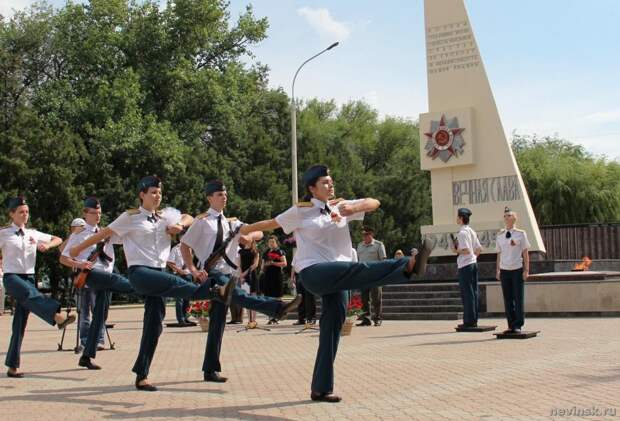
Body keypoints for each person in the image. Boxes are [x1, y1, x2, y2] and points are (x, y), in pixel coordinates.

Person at [239, 164, 431, 402]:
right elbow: (270, 223)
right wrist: (244, 229)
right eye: (325, 183)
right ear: (312, 188)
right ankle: (406, 266)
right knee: (357, 269)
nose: (331, 186)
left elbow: (375, 202)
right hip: (314, 272)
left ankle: (321, 388)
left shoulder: (341, 204)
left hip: (339, 277)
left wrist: (353, 208)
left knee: (332, 331)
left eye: (331, 182)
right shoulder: (301, 211)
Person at [70, 176, 234, 391]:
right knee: (176, 283)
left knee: (154, 326)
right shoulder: (130, 217)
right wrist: (76, 250)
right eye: (153, 193)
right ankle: (210, 292)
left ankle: (141, 374)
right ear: (142, 195)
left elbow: (188, 217)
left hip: (159, 274)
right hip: (141, 272)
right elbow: (105, 233)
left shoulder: (166, 216)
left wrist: (178, 225)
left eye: (159, 193)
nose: (157, 196)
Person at [180, 180, 301, 383]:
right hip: (213, 275)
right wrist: (192, 269)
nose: (224, 197)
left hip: (230, 274)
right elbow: (184, 245)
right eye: (219, 194)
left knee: (217, 323)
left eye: (225, 194)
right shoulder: (202, 221)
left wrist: (248, 237)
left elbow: (259, 232)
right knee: (241, 297)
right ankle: (277, 308)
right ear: (209, 198)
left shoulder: (233, 223)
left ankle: (210, 369)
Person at [1, 196, 76, 378]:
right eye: (21, 212)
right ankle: (57, 317)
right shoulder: (3, 233)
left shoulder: (32, 233)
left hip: (29, 277)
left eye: (27, 212)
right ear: (12, 214)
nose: (25, 215)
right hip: (12, 277)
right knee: (29, 293)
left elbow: (57, 239)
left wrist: (47, 245)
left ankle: (12, 366)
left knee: (20, 323)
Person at [61, 197, 136, 370]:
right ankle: (144, 287)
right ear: (85, 214)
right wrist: (79, 264)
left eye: (99, 213)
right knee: (125, 283)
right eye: (94, 213)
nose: (97, 216)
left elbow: (126, 238)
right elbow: (63, 257)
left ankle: (86, 356)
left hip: (105, 276)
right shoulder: (79, 234)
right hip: (91, 275)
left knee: (100, 317)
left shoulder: (106, 232)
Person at [61, 218, 106, 353]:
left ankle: (100, 339)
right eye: (75, 226)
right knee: (84, 312)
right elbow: (62, 250)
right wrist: (73, 235)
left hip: (95, 274)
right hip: (80, 278)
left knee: (98, 309)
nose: (79, 228)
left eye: (81, 226)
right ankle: (85, 341)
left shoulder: (96, 233)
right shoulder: (74, 237)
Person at [496, 207, 531, 334]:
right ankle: (510, 324)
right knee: (507, 298)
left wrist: (526, 270)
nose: (506, 217)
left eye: (509, 215)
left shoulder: (521, 234)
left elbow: (525, 252)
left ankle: (518, 324)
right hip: (505, 270)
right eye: (505, 216)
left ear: (515, 218)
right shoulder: (500, 235)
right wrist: (498, 270)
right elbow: (499, 253)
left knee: (518, 297)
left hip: (517, 269)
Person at [453, 208, 482, 329]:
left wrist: (456, 250)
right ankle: (473, 319)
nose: (456, 218)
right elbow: (479, 249)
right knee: (473, 292)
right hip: (472, 263)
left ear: (461, 218)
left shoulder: (462, 233)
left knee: (467, 293)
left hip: (465, 265)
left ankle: (469, 321)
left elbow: (466, 250)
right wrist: (473, 258)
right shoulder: (471, 231)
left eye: (457, 217)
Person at [356, 226, 387, 326]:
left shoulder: (378, 245)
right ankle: (366, 319)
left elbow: (383, 261)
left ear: (371, 234)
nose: (364, 237)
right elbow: (358, 260)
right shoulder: (360, 245)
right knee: (364, 299)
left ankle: (377, 318)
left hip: (375, 276)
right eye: (363, 235)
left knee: (376, 298)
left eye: (366, 234)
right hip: (363, 276)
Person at [166, 238, 192, 325]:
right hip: (179, 275)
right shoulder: (176, 248)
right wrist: (179, 270)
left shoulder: (190, 248)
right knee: (180, 298)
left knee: (188, 298)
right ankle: (180, 319)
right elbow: (169, 262)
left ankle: (186, 318)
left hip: (189, 274)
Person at [261, 236, 287, 324]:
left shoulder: (280, 251)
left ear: (276, 242)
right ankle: (270, 317)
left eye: (272, 242)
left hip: (277, 276)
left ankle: (277, 316)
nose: (271, 243)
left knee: (277, 296)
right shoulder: (266, 252)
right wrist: (263, 268)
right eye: (269, 242)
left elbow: (284, 263)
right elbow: (263, 264)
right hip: (268, 276)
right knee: (268, 296)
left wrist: (273, 263)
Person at [238, 239, 260, 326]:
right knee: (246, 297)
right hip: (243, 277)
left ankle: (254, 320)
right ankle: (249, 320)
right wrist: (241, 275)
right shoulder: (241, 251)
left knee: (253, 297)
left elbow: (255, 265)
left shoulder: (255, 251)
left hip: (252, 275)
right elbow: (239, 265)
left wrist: (245, 273)